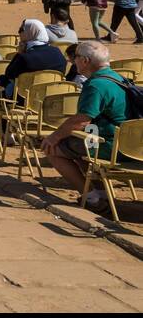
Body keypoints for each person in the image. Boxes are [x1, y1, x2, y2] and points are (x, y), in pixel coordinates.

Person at [40, 40, 131, 213]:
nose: (74, 61)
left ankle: (92, 198)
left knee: (53, 149)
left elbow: (81, 120)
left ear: (85, 61)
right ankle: (101, 194)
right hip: (127, 142)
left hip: (109, 145)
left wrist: (54, 136)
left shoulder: (95, 85)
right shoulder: (119, 78)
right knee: (80, 149)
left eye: (76, 57)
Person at [0, 18, 67, 99]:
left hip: (24, 99)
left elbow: (9, 73)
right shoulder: (57, 53)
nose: (18, 32)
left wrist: (20, 53)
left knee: (2, 80)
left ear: (30, 32)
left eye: (21, 29)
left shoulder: (24, 57)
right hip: (51, 98)